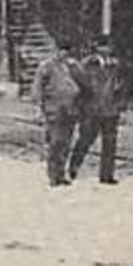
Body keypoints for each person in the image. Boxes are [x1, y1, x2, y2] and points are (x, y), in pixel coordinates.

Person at [69, 34, 124, 185]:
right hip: (91, 109)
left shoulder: (115, 65)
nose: (106, 49)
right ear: (97, 48)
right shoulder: (87, 64)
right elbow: (78, 85)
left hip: (110, 109)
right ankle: (73, 167)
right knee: (85, 140)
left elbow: (120, 86)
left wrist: (119, 103)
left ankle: (106, 175)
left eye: (108, 46)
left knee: (110, 143)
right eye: (103, 46)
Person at [30, 42, 86, 187]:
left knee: (66, 143)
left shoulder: (74, 66)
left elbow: (84, 84)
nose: (64, 54)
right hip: (53, 110)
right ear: (56, 50)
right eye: (62, 51)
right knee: (55, 142)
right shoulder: (47, 66)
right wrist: (37, 108)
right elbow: (37, 88)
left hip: (71, 110)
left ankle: (61, 174)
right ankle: (53, 175)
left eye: (67, 51)